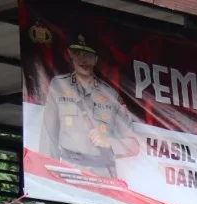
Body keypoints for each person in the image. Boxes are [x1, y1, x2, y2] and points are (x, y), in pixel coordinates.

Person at [38, 34, 140, 177]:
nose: (83, 59)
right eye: (78, 53)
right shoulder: (58, 86)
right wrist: (47, 174)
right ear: (70, 54)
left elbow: (134, 145)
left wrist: (109, 141)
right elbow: (49, 136)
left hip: (103, 174)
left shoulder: (111, 95)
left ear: (96, 59)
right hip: (68, 170)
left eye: (88, 54)